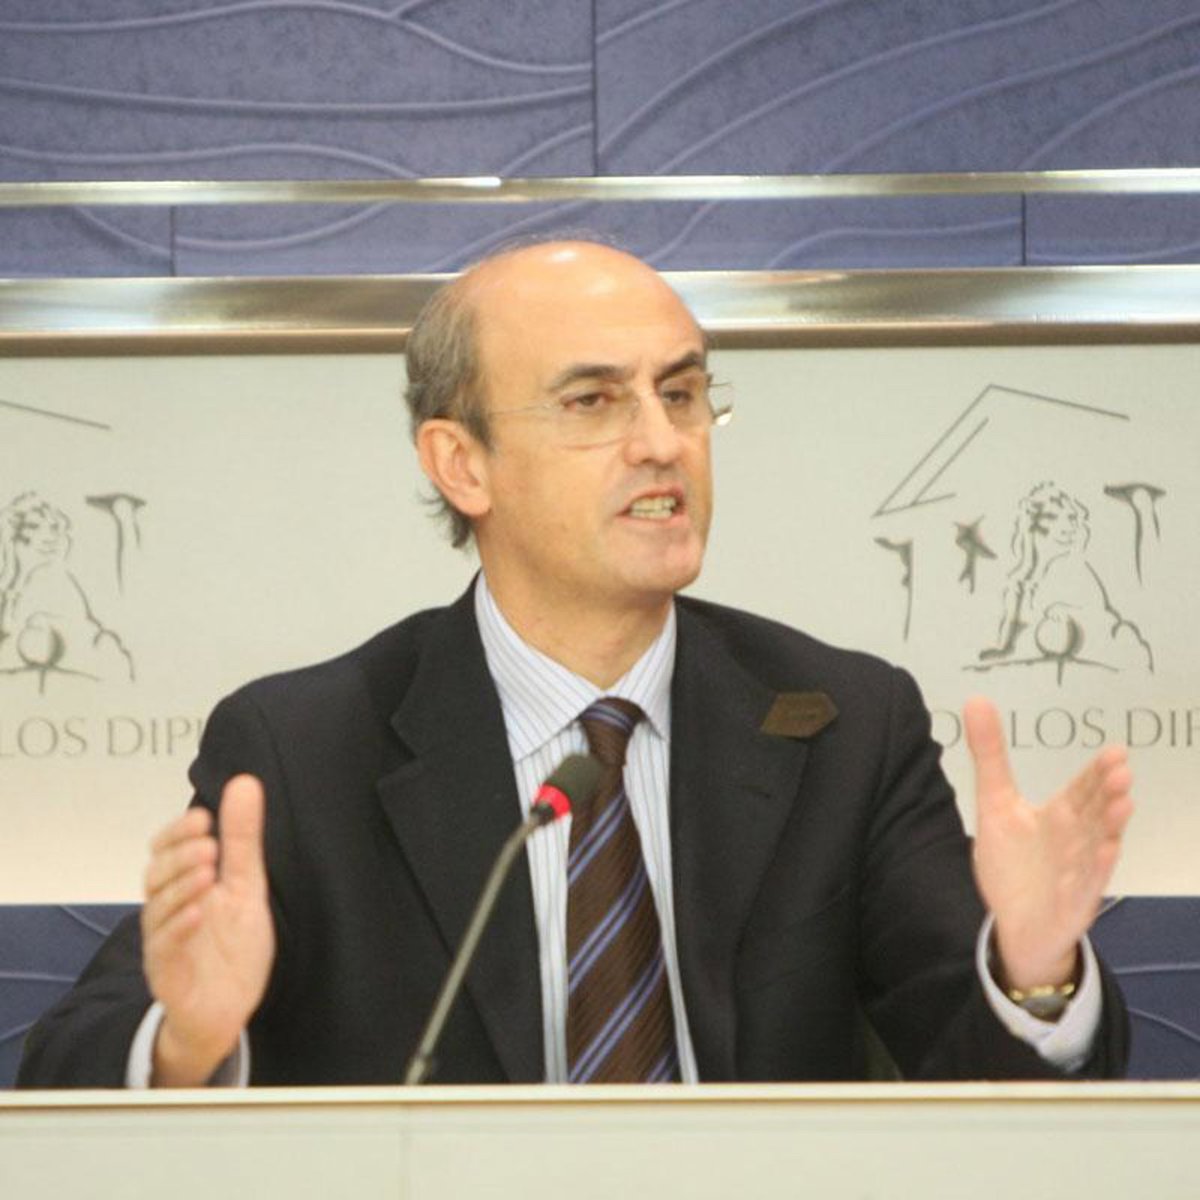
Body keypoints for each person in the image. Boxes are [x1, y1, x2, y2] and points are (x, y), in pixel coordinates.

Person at [18, 241, 1133, 1088]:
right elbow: (69, 1061)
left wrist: (1034, 972)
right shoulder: (307, 752)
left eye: (682, 393)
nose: (662, 442)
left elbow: (981, 1069)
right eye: (594, 401)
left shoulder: (846, 723)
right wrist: (190, 1041)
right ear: (462, 464)